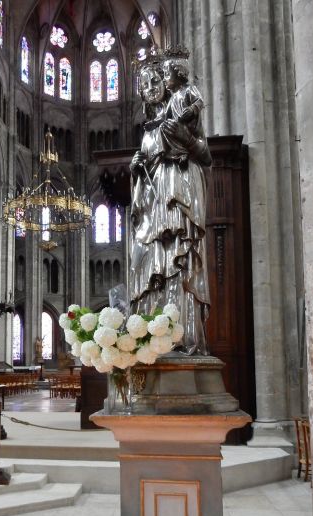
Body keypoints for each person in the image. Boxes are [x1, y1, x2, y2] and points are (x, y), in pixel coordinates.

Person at [129, 47, 211, 355]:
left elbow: (206, 156)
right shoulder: (147, 131)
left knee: (181, 261)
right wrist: (137, 168)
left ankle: (185, 337)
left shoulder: (181, 113)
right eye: (145, 86)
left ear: (166, 82)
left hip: (180, 194)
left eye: (154, 81)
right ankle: (153, 340)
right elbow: (144, 179)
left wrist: (188, 140)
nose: (151, 89)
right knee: (153, 269)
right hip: (154, 208)